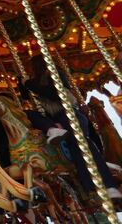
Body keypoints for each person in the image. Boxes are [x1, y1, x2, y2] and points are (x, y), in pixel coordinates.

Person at [21, 54, 122, 199]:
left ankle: (109, 185)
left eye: (30, 66)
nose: (28, 69)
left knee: (83, 147)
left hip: (69, 113)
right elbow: (26, 96)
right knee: (29, 114)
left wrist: (29, 84)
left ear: (38, 64)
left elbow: (55, 94)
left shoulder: (54, 74)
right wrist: (22, 82)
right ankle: (90, 189)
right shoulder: (36, 81)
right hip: (55, 118)